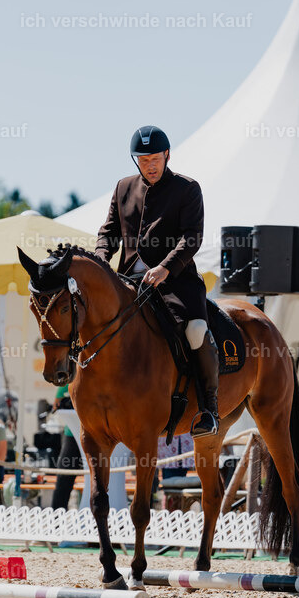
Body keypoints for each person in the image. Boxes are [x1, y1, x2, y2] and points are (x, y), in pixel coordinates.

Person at [95, 125, 218, 438]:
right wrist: (99, 260)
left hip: (175, 281)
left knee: (195, 330)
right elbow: (109, 232)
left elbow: (193, 237)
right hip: (128, 281)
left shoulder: (187, 188)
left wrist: (165, 267)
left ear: (167, 155)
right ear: (136, 160)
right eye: (143, 159)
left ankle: (209, 407)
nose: (150, 164)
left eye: (155, 158)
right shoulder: (123, 187)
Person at [50, 385, 82, 511]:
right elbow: (56, 404)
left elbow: (56, 404)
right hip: (73, 434)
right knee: (64, 479)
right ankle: (57, 520)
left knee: (63, 480)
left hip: (74, 435)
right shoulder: (71, 380)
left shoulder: (71, 380)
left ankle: (57, 519)